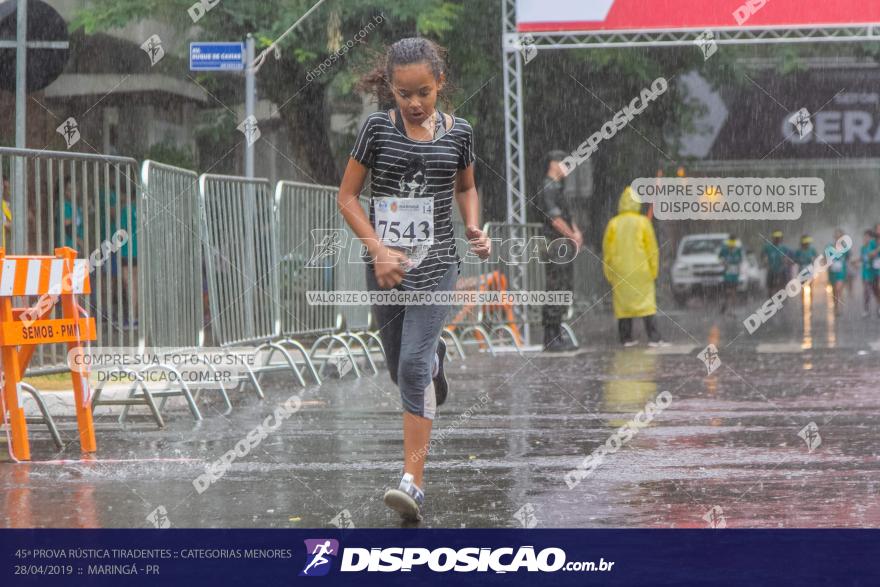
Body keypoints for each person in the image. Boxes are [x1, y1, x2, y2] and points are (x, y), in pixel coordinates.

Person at [337, 37, 491, 522]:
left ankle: (413, 482)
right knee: (399, 366)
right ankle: (435, 360)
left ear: (440, 83)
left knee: (411, 368)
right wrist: (378, 249)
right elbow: (346, 198)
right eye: (404, 95)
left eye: (424, 92)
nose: (415, 104)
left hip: (437, 264)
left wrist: (472, 225)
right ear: (391, 89)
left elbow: (466, 186)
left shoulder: (459, 132)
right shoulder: (376, 131)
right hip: (386, 268)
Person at [602, 186, 665, 347]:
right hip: (642, 271)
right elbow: (651, 249)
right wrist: (654, 269)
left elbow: (607, 251)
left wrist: (609, 272)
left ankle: (626, 337)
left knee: (623, 306)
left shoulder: (613, 224)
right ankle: (653, 336)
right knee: (646, 304)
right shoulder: (643, 222)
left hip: (620, 270)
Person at [535, 150, 581, 351]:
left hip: (562, 244)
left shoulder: (557, 188)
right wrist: (572, 235)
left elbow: (567, 216)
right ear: (554, 164)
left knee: (563, 287)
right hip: (554, 244)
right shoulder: (548, 187)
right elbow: (555, 219)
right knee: (555, 288)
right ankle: (550, 336)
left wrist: (575, 232)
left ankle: (557, 332)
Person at [826, 228, 850, 314]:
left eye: (839, 236)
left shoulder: (845, 249)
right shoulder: (829, 247)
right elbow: (826, 260)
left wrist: (848, 272)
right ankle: (836, 307)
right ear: (834, 237)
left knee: (838, 288)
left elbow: (847, 260)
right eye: (836, 236)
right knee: (834, 290)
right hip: (832, 273)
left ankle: (839, 306)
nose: (838, 238)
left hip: (841, 272)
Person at [762, 230, 792, 296]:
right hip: (771, 269)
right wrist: (765, 261)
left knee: (783, 284)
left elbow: (790, 256)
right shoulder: (768, 247)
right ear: (773, 238)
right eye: (776, 238)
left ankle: (783, 296)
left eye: (779, 238)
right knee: (770, 287)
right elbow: (763, 255)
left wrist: (787, 261)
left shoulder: (784, 248)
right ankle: (770, 299)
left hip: (781, 269)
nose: (777, 239)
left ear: (781, 238)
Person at [718, 235, 743, 314]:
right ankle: (725, 306)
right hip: (727, 276)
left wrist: (738, 267)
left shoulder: (738, 250)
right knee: (727, 292)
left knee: (733, 292)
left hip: (735, 276)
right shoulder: (724, 249)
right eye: (730, 242)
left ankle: (731, 310)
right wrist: (723, 262)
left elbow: (740, 260)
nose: (732, 245)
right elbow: (719, 257)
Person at [860, 229, 880, 318]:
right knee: (867, 291)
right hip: (868, 272)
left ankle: (878, 307)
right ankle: (866, 309)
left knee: (877, 290)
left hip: (876, 272)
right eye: (865, 237)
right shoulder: (869, 245)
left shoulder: (874, 243)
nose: (866, 238)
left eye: (867, 237)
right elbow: (869, 255)